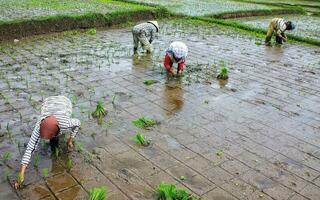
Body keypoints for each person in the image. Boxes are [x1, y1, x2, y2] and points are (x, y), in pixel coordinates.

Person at [14, 96, 80, 189]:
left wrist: (70, 140)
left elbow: (78, 123)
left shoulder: (66, 123)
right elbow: (29, 149)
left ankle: (56, 136)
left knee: (55, 138)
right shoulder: (38, 126)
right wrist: (21, 174)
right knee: (49, 140)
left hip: (64, 102)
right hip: (48, 102)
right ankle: (53, 136)